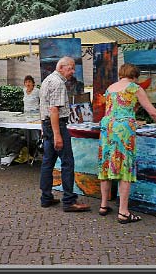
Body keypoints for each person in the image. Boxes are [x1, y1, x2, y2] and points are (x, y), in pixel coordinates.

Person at [98, 63, 156, 224]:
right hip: (123, 130)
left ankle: (103, 205)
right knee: (124, 166)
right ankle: (123, 212)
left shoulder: (110, 88)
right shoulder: (134, 88)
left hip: (107, 127)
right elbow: (152, 111)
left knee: (107, 163)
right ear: (135, 76)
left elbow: (111, 110)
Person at [39, 56, 91, 212]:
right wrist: (57, 135)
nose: (73, 72)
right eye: (70, 68)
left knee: (48, 162)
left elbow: (44, 107)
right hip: (57, 126)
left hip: (48, 125)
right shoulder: (58, 83)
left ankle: (46, 197)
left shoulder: (47, 80)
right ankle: (69, 201)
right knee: (67, 163)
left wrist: (45, 128)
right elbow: (54, 110)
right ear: (61, 67)